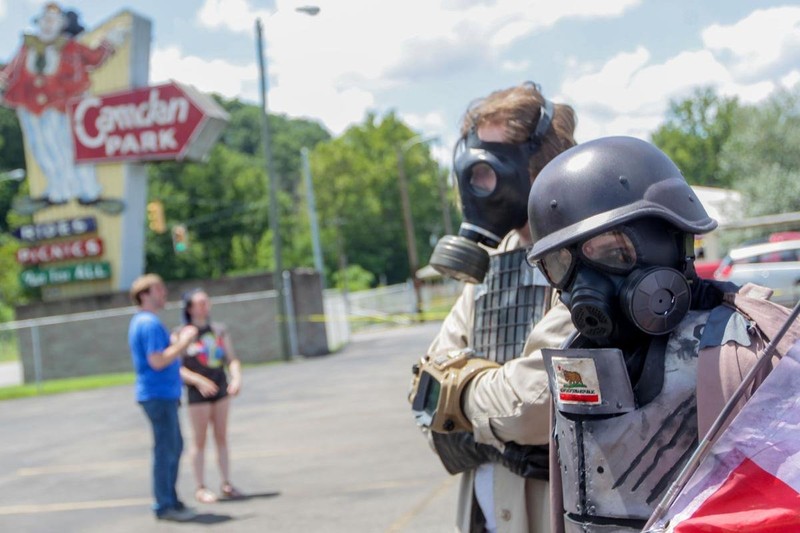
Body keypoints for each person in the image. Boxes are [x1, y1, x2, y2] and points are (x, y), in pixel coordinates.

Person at [520, 136, 800, 532]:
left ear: (673, 239)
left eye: (611, 251)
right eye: (561, 263)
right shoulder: (575, 360)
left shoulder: (745, 349)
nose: (584, 286)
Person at [410, 82, 578, 533]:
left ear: (540, 163)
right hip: (487, 514)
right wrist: (497, 415)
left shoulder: (589, 257)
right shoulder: (493, 262)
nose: (477, 189)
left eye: (487, 172)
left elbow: (536, 403)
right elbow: (425, 396)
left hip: (558, 513)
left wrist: (460, 401)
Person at [0, 3, 125, 207]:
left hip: (60, 105)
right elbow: (11, 71)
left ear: (60, 25)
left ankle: (88, 191)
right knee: (41, 148)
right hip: (29, 105)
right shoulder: (28, 46)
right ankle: (58, 192)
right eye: (45, 21)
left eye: (53, 21)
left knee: (68, 147)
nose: (48, 26)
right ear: (39, 23)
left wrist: (110, 41)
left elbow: (94, 58)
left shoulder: (70, 47)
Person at [128, 274, 198, 522]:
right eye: (159, 289)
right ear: (144, 294)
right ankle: (164, 504)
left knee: (173, 446)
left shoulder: (147, 322)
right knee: (167, 449)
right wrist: (185, 342)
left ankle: (170, 498)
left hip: (162, 394)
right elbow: (157, 360)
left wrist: (176, 342)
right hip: (157, 394)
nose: (164, 293)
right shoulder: (148, 323)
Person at [177, 288, 243, 504]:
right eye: (200, 302)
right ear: (189, 308)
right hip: (198, 394)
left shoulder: (218, 331)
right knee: (200, 440)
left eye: (207, 301)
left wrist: (236, 378)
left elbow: (231, 359)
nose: (205, 305)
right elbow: (177, 368)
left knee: (221, 436)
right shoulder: (182, 334)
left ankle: (226, 482)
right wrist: (198, 380)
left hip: (220, 389)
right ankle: (200, 487)